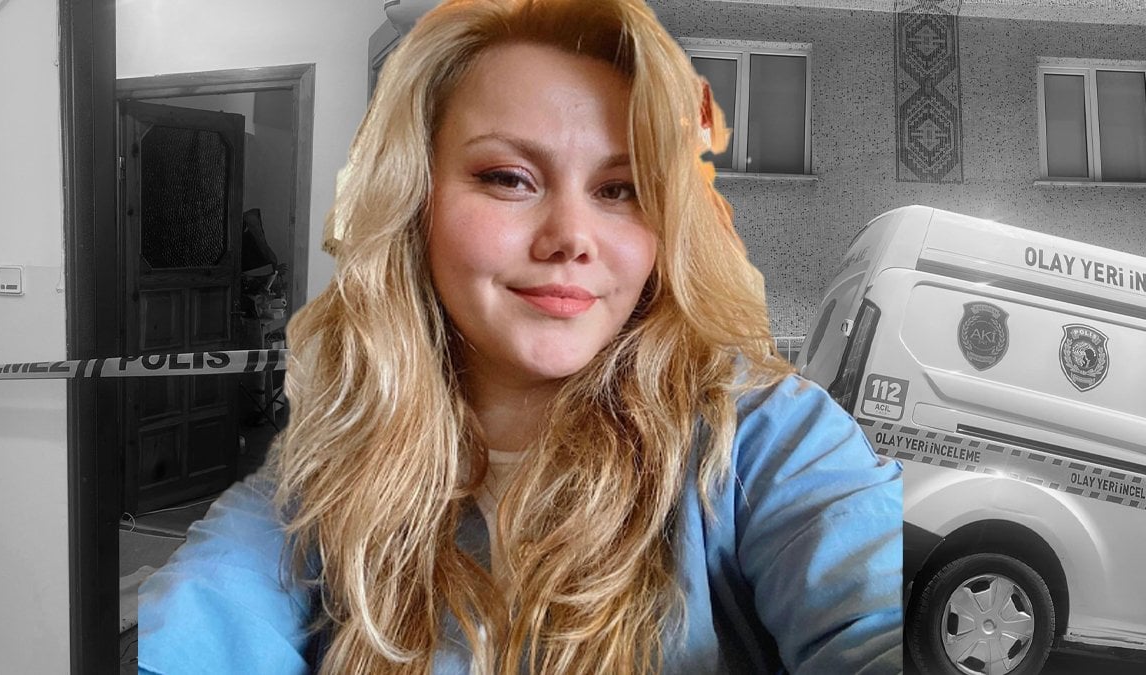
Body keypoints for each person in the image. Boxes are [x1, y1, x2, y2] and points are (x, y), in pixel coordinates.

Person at [137, 0, 903, 673]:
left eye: (620, 189)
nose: (572, 235)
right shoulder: (326, 474)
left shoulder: (769, 440)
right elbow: (198, 623)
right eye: (508, 177)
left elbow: (884, 622)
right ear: (415, 199)